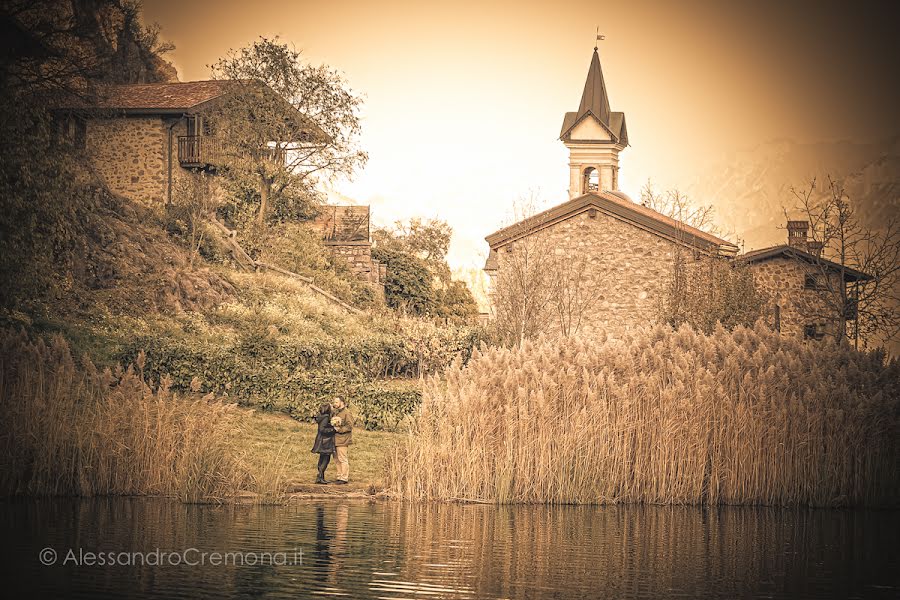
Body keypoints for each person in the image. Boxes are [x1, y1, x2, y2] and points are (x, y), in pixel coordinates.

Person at [330, 397, 354, 485]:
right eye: (334, 402)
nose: (334, 404)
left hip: (343, 439)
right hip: (335, 439)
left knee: (342, 458)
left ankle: (344, 477)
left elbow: (350, 426)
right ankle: (339, 476)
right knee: (336, 459)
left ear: (342, 402)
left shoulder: (347, 413)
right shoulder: (336, 412)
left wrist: (339, 430)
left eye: (336, 402)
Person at [311, 403, 336, 484]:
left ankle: (320, 476)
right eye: (331, 407)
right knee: (326, 459)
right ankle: (320, 476)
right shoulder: (326, 417)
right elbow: (322, 429)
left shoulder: (321, 416)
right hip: (325, 441)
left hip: (321, 440)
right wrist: (333, 429)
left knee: (322, 458)